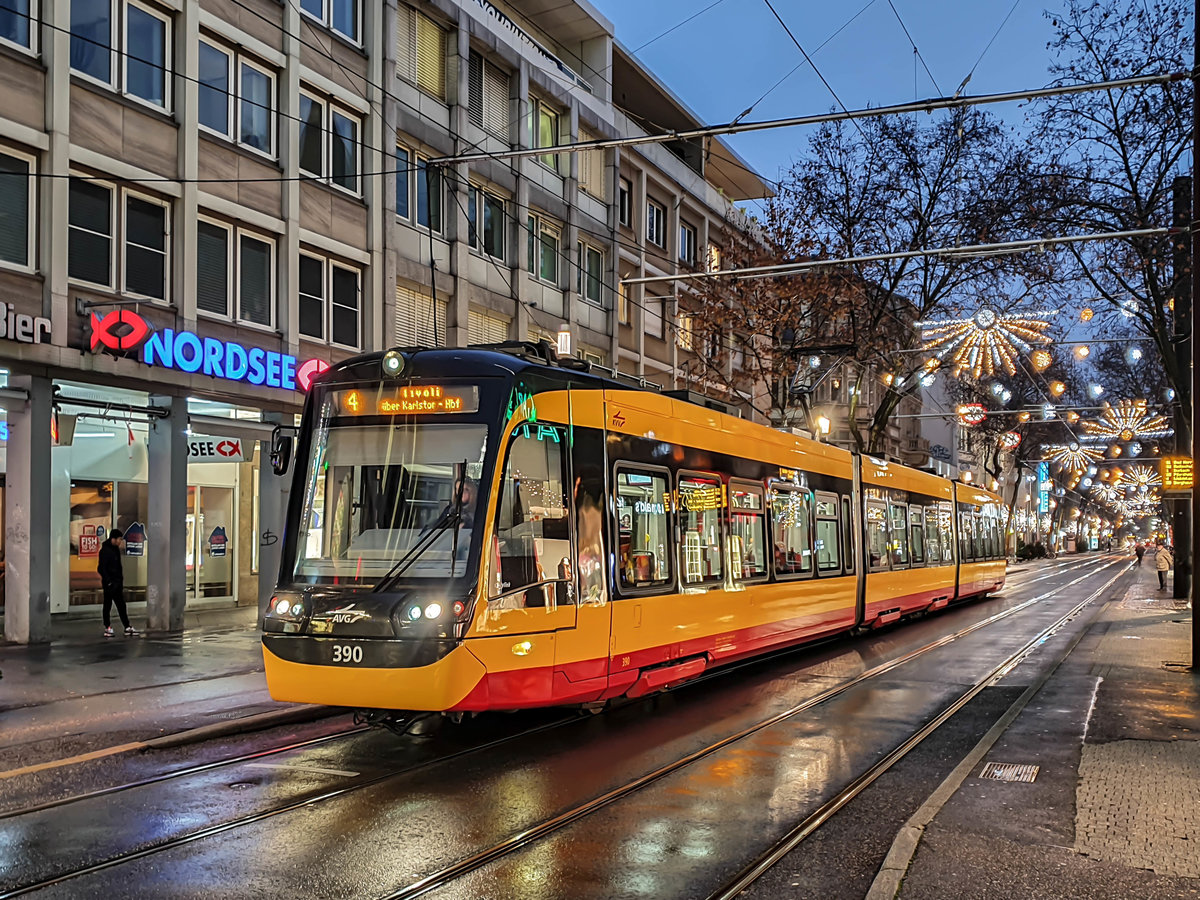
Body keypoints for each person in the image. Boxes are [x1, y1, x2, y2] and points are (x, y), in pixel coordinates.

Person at [97, 529, 137, 636]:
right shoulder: (105, 551)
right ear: (113, 539)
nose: (120, 541)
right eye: (119, 539)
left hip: (117, 583)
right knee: (108, 605)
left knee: (120, 605)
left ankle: (126, 627)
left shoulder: (115, 550)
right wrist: (109, 581)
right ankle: (108, 627)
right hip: (110, 584)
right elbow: (101, 568)